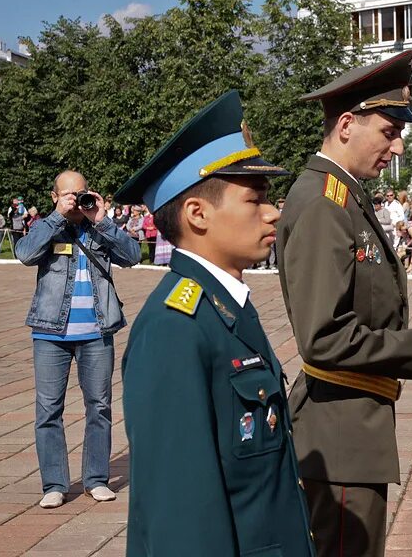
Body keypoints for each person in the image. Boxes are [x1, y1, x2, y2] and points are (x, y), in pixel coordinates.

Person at [276, 50, 412, 557]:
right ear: (346, 124)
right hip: (340, 432)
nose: (398, 146)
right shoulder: (324, 203)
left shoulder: (345, 194)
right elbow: (323, 336)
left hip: (354, 423)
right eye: (389, 131)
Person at [114, 90, 315, 555]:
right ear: (197, 214)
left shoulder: (224, 306)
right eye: (254, 200)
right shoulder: (175, 327)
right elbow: (180, 512)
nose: (272, 212)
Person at [15, 170, 140, 509]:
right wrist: (57, 218)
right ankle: (54, 484)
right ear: (54, 196)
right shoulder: (45, 226)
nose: (74, 200)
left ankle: (96, 479)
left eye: (81, 193)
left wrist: (102, 219)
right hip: (50, 333)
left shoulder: (98, 227)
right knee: (47, 409)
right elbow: (25, 253)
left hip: (97, 332)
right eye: (67, 194)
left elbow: (133, 255)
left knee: (99, 407)